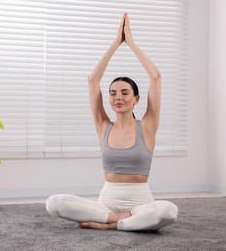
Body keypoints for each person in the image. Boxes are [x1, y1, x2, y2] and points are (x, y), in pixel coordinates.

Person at [45, 13, 178, 231]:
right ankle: (115, 218)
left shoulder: (147, 126)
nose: (118, 97)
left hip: (141, 201)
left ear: (136, 99)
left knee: (168, 211)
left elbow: (155, 77)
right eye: (113, 93)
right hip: (107, 201)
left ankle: (111, 225)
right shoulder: (103, 126)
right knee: (54, 203)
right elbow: (92, 80)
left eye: (125, 93)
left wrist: (131, 43)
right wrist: (116, 43)